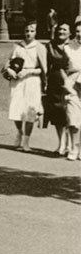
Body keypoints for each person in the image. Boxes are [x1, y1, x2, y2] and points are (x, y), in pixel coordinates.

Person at [3, 19, 47, 151]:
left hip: (32, 81)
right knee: (17, 108)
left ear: (36, 32)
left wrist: (29, 72)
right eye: (27, 31)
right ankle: (19, 132)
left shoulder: (40, 47)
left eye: (32, 31)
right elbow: (8, 62)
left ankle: (26, 141)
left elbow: (43, 69)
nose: (29, 33)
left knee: (30, 110)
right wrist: (9, 70)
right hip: (17, 81)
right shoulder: (17, 46)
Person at [43, 22, 71, 155]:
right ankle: (61, 144)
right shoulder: (50, 46)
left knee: (71, 114)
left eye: (65, 30)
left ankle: (71, 145)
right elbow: (45, 65)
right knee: (58, 114)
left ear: (70, 33)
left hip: (72, 82)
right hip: (55, 82)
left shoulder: (75, 46)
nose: (61, 32)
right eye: (60, 29)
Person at [63, 17, 81, 161]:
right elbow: (62, 68)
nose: (80, 34)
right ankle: (74, 147)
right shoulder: (68, 48)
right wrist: (67, 84)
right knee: (73, 118)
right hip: (72, 86)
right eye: (77, 31)